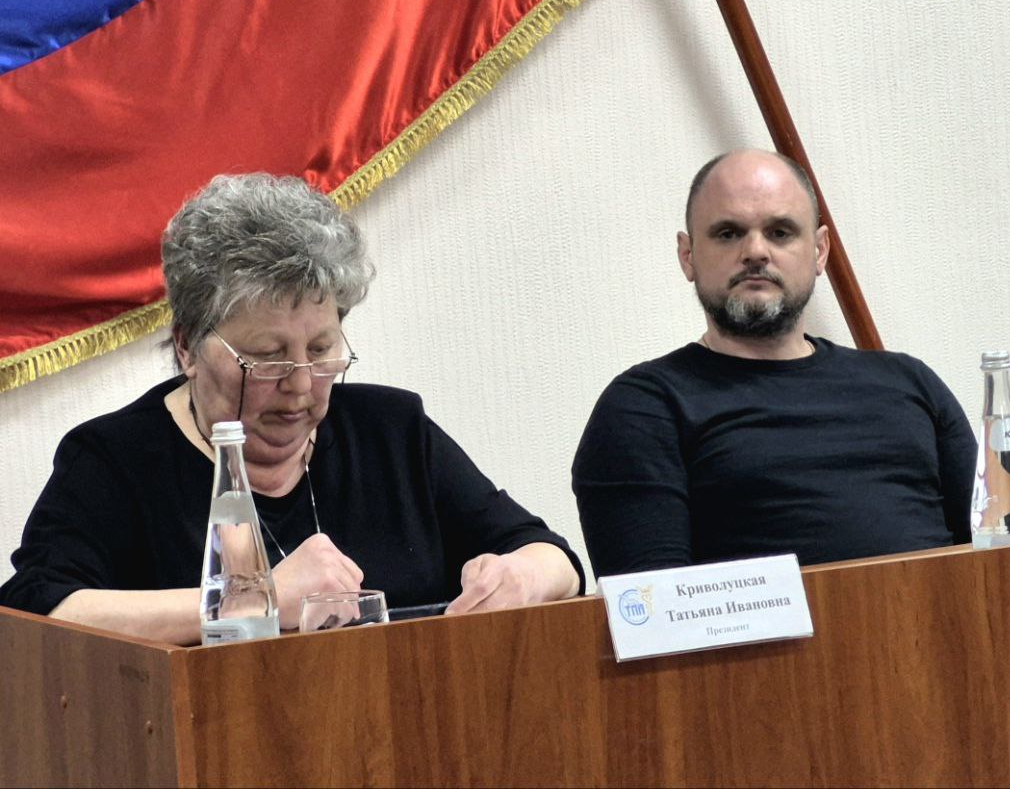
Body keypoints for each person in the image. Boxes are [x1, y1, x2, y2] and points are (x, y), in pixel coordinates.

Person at [0, 174, 581, 643]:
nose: (301, 384)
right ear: (188, 347)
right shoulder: (115, 460)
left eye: (322, 350)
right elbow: (39, 613)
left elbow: (552, 557)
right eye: (266, 357)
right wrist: (256, 602)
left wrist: (519, 576)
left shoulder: (393, 431)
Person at [572, 149, 975, 577]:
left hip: (942, 617)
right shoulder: (644, 408)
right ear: (688, 256)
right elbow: (656, 608)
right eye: (728, 233)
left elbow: (1001, 549)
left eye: (780, 232)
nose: (755, 251)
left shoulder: (910, 383)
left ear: (819, 251)